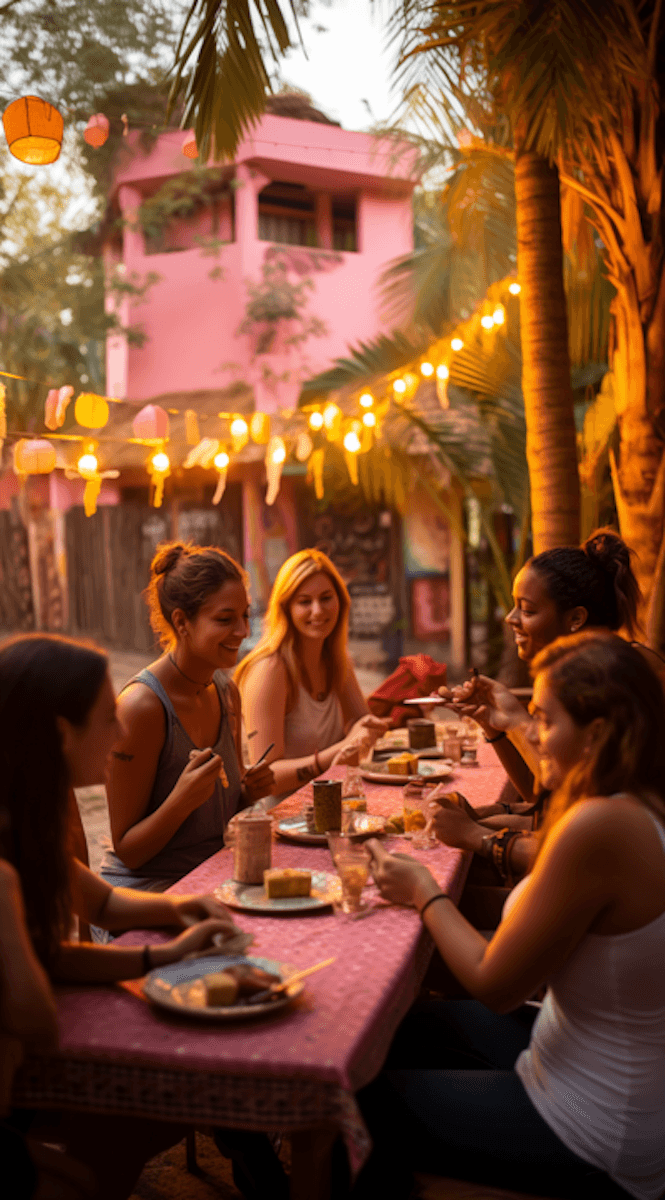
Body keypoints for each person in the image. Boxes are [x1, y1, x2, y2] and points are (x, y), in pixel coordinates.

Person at [350, 633, 665, 1200]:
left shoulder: (602, 827)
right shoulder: (636, 803)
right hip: (565, 1058)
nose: (534, 733)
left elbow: (495, 985)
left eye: (544, 719)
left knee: (349, 1095)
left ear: (596, 734)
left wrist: (424, 892)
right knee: (387, 1026)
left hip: (588, 1123)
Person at [432, 527, 656, 885]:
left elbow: (579, 817)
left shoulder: (610, 682)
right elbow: (545, 794)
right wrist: (495, 727)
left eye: (528, 610)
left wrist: (480, 834)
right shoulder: (586, 670)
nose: (511, 619)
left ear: (576, 619)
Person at [102, 542, 274, 891]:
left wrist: (247, 793)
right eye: (225, 619)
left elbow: (219, 817)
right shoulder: (142, 709)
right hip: (149, 892)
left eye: (246, 615)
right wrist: (180, 800)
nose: (243, 631)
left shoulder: (226, 693)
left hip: (213, 879)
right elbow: (130, 851)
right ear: (181, 621)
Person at [235, 549, 388, 800]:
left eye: (326, 598)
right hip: (285, 820)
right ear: (286, 608)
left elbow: (364, 726)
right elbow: (264, 779)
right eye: (304, 602)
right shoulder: (269, 669)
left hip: (337, 807)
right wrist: (338, 752)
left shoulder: (337, 659)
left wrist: (377, 725)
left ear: (340, 600)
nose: (317, 611)